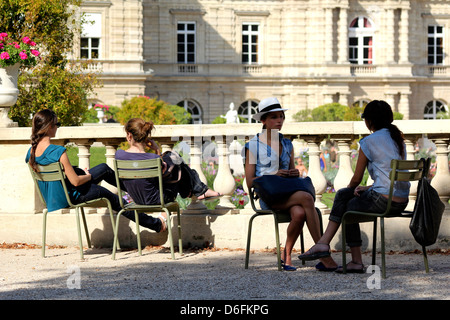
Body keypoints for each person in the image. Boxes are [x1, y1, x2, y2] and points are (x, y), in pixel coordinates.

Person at [299, 100, 410, 273]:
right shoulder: (398, 139)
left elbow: (356, 179)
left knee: (345, 201)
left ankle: (336, 251)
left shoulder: (368, 142)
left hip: (384, 201)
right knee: (347, 201)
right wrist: (370, 188)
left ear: (369, 121)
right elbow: (390, 176)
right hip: (401, 201)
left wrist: (350, 190)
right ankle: (324, 244)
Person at [25, 109, 167, 233]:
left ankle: (134, 190)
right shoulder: (58, 152)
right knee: (114, 199)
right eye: (57, 124)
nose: (58, 127)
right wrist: (87, 176)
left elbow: (61, 178)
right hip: (71, 195)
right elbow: (75, 181)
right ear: (50, 127)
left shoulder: (30, 153)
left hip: (55, 197)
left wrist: (81, 173)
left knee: (103, 168)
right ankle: (156, 225)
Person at [244, 97, 333, 271]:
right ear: (263, 120)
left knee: (299, 213)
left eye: (281, 117)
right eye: (274, 117)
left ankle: (286, 255)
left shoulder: (287, 144)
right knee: (307, 198)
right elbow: (249, 181)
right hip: (269, 196)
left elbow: (292, 173)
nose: (279, 121)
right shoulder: (252, 146)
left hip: (289, 193)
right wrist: (274, 174)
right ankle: (323, 254)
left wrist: (294, 173)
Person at [115, 118, 222, 207]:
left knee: (173, 160)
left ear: (129, 135)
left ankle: (193, 190)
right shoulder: (153, 158)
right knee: (174, 157)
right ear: (146, 136)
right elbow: (164, 174)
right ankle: (197, 190)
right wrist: (157, 150)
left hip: (137, 200)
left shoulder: (119, 155)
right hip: (159, 200)